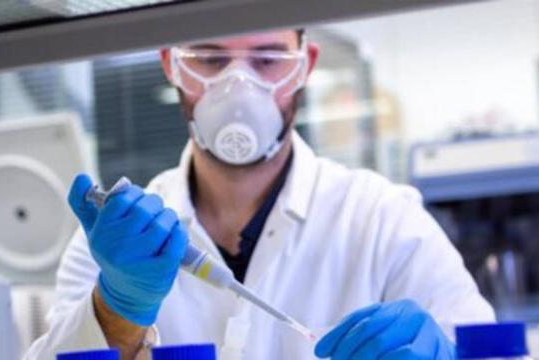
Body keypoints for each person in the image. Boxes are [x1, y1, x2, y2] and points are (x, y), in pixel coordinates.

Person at [25, 29, 494, 360]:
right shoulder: (114, 243)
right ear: (171, 63)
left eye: (268, 59)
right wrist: (116, 311)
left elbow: (501, 354)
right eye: (210, 59)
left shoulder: (383, 219)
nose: (238, 88)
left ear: (304, 67)